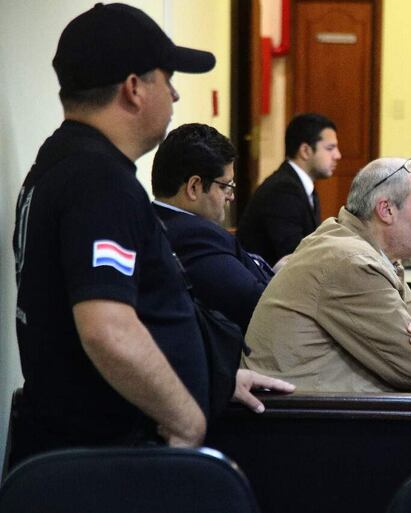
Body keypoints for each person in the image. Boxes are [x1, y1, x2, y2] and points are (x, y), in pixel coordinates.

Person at [10, 3, 291, 470]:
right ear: (134, 89)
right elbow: (108, 329)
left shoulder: (60, 160)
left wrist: (215, 379)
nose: (176, 95)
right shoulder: (98, 181)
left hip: (75, 451)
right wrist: (185, 419)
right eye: (169, 78)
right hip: (106, 462)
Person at [242, 155, 411, 392]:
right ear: (386, 210)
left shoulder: (366, 247)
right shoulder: (351, 261)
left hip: (330, 413)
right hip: (306, 423)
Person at [151, 123, 274, 334]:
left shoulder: (157, 220)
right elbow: (259, 305)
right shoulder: (195, 237)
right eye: (226, 186)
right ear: (194, 187)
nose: (232, 196)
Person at [237, 113, 341, 266]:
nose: (337, 155)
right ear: (305, 150)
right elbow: (296, 255)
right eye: (330, 148)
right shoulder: (282, 190)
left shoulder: (299, 186)